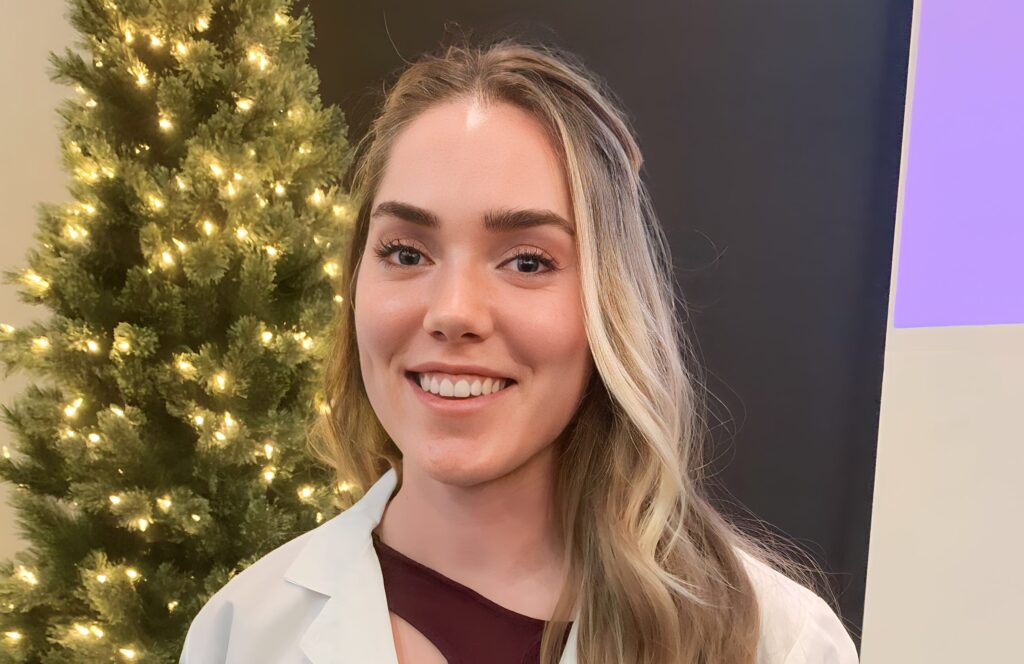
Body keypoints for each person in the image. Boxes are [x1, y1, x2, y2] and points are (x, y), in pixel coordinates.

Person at [180, 35, 860, 664]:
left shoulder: (776, 643)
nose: (452, 312)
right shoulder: (242, 633)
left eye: (528, 262)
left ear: (609, 303)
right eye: (406, 253)